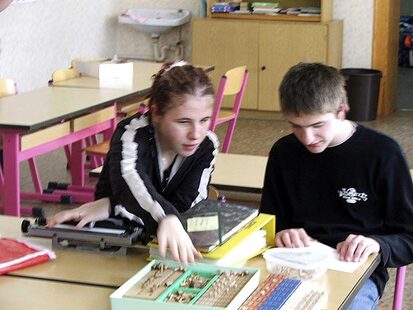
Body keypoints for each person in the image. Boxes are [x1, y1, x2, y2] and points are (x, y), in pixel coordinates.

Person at [260, 62, 413, 309]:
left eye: (317, 125)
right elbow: (267, 223)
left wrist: (377, 244)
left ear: (341, 110)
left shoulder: (383, 153)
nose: (307, 138)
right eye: (296, 126)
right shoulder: (284, 152)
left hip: (357, 274)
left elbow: (409, 237)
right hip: (295, 266)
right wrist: (280, 233)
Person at [48, 61, 219, 264]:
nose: (196, 134)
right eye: (183, 122)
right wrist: (162, 217)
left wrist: (115, 206)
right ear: (156, 114)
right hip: (117, 245)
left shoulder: (207, 145)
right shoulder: (130, 135)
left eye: (204, 120)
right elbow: (131, 185)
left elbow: (189, 207)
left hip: (162, 248)